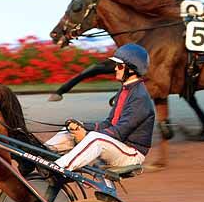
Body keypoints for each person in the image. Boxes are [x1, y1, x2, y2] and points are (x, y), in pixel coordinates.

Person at [45, 43, 155, 171]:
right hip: (117, 146)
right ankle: (41, 154)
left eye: (119, 66)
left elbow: (119, 132)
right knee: (69, 131)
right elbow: (109, 123)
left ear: (131, 69)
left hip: (131, 153)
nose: (115, 69)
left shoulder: (139, 97)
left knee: (94, 138)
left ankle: (57, 168)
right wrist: (82, 126)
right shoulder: (125, 90)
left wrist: (86, 134)